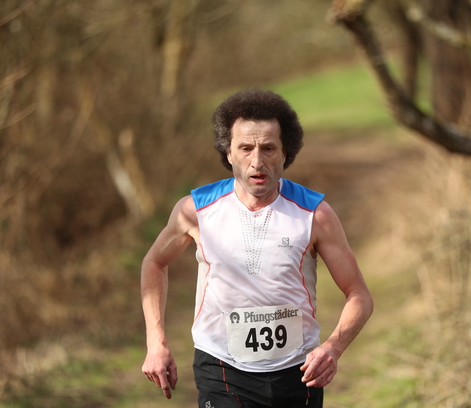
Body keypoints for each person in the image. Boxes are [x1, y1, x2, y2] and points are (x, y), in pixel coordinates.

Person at [141, 89, 374, 407]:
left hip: (298, 370)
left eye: (268, 148)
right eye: (245, 148)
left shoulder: (315, 214)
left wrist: (333, 348)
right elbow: (154, 263)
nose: (257, 162)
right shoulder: (194, 210)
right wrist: (156, 342)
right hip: (221, 366)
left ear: (285, 152)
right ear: (228, 153)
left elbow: (359, 294)